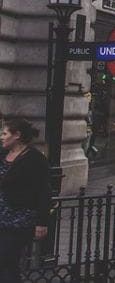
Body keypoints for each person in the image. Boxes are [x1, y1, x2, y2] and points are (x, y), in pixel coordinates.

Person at [0, 119, 50, 283]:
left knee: (6, 259)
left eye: (5, 133)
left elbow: (43, 191)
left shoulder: (35, 159)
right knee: (8, 264)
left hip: (19, 218)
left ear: (17, 135)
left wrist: (42, 222)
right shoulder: (2, 155)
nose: (1, 137)